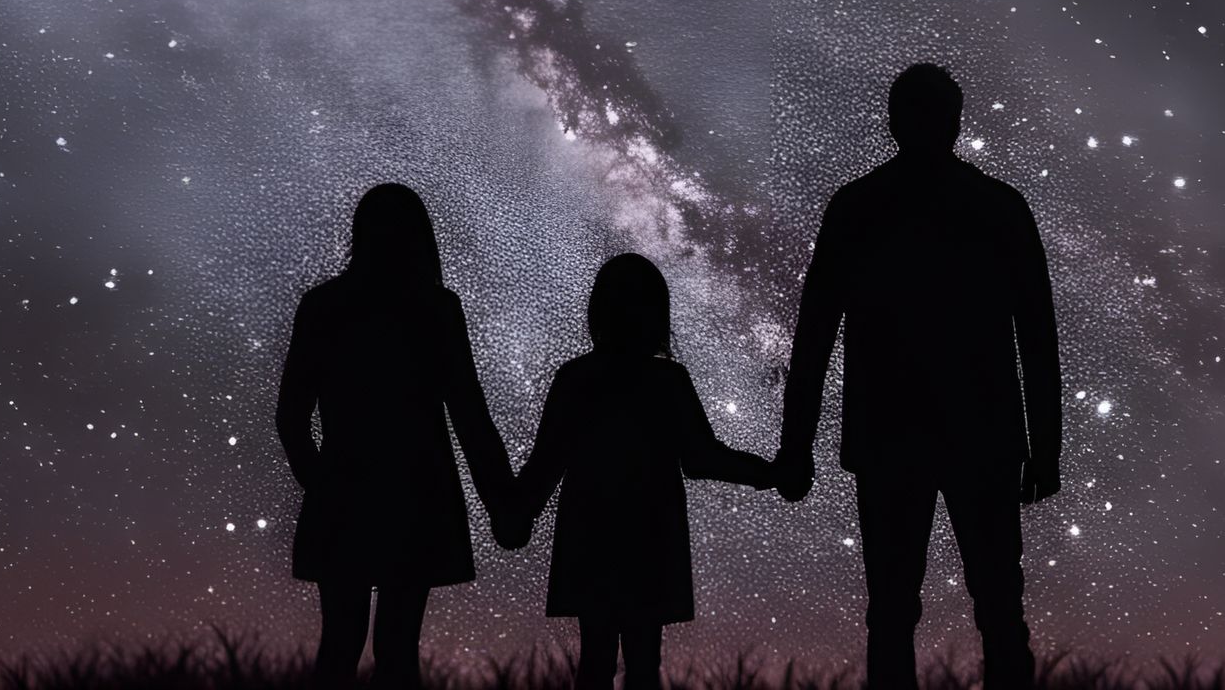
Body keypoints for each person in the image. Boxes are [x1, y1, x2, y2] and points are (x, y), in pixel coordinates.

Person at [774, 62, 1062, 690]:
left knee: (896, 612)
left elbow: (815, 334)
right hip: (979, 434)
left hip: (893, 435)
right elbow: (1038, 339)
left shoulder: (859, 207)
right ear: (955, 123)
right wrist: (1045, 446)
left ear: (893, 121)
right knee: (997, 609)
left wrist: (797, 447)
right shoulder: (998, 207)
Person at [496, 252, 776, 690]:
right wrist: (770, 472)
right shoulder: (668, 382)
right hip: (650, 536)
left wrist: (516, 513)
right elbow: (703, 458)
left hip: (592, 536)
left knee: (595, 659)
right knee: (644, 661)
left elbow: (546, 464)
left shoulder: (576, 379)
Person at [276, 183, 513, 688]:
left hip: (348, 488)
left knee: (340, 639)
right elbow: (470, 417)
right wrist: (503, 504)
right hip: (416, 494)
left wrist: (321, 484)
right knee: (397, 645)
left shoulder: (324, 305)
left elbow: (291, 417)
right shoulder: (435, 308)